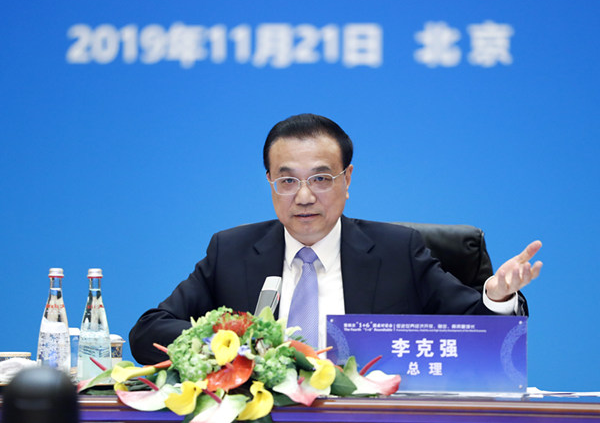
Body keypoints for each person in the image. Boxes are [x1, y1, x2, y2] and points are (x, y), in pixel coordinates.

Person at [129, 114, 542, 365]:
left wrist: (497, 297)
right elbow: (149, 331)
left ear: (347, 180)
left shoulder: (399, 251)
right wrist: (231, 342)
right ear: (270, 182)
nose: (304, 196)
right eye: (287, 180)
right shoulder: (231, 251)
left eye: (321, 179)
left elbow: (480, 334)